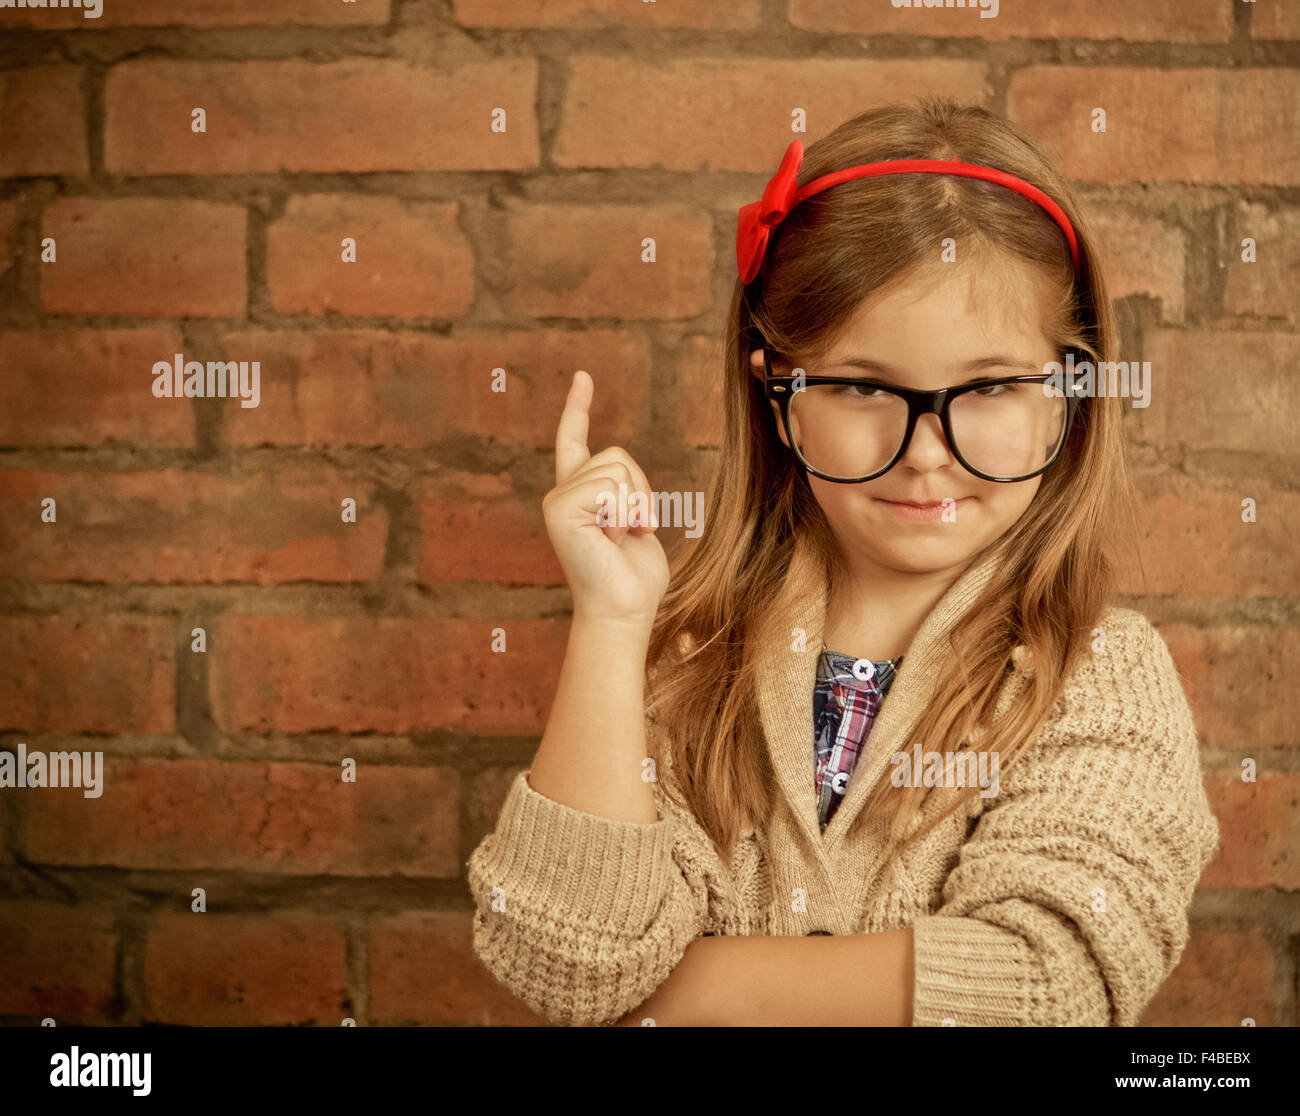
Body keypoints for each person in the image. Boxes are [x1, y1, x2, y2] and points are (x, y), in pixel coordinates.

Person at [466, 97, 1220, 1027]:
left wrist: (667, 993)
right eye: (863, 385)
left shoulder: (1096, 672)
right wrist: (613, 624)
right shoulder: (684, 657)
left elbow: (1045, 983)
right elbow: (562, 961)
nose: (927, 451)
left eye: (987, 387)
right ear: (778, 398)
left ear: (1068, 395)